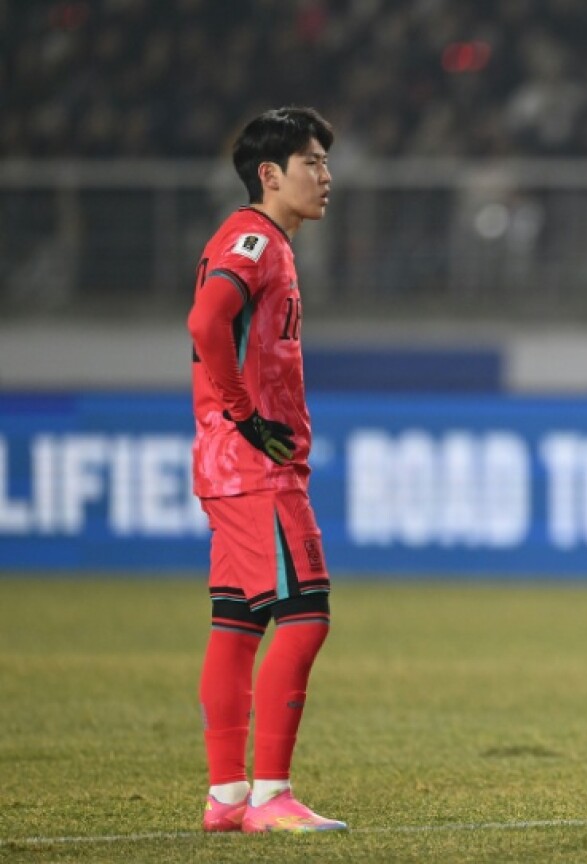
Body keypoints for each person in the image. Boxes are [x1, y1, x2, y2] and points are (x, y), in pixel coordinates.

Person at [186, 106, 346, 833]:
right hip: (254, 468)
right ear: (270, 175)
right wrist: (246, 413)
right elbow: (205, 321)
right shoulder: (254, 238)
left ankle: (226, 797)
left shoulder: (263, 240)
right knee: (306, 616)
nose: (326, 176)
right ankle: (271, 796)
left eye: (324, 162)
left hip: (228, 467)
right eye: (312, 162)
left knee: (237, 625)